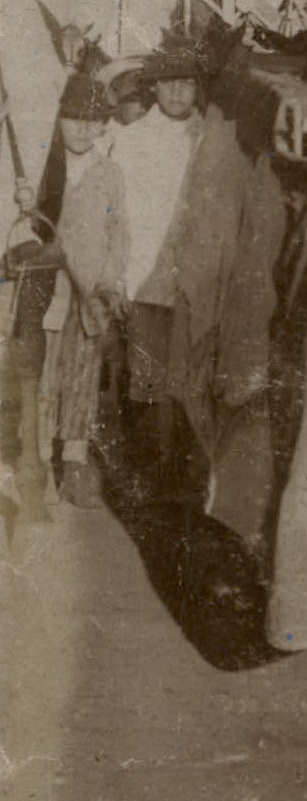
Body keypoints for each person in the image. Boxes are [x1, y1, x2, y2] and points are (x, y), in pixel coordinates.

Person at [109, 37, 205, 492]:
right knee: (145, 377)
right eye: (169, 84)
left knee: (188, 377)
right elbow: (119, 214)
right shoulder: (130, 141)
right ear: (155, 88)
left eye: (186, 84)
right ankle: (146, 473)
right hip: (144, 277)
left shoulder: (207, 139)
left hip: (192, 280)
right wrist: (123, 281)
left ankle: (181, 475)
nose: (177, 94)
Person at [44, 66, 130, 508]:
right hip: (47, 295)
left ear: (103, 126)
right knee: (43, 379)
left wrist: (111, 282)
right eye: (73, 117)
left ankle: (73, 463)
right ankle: (38, 464)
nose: (82, 128)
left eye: (92, 119)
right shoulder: (45, 167)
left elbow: (119, 235)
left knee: (81, 379)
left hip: (89, 297)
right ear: (57, 119)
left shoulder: (109, 173)